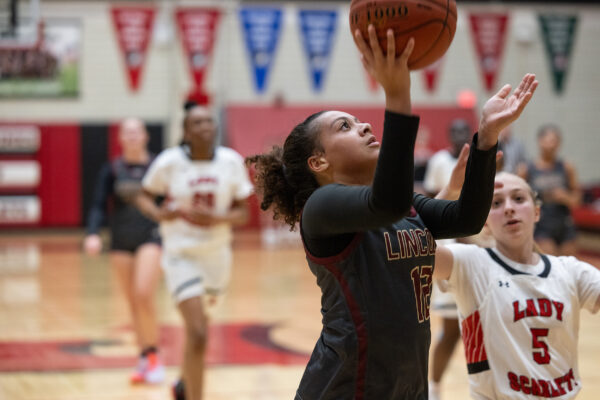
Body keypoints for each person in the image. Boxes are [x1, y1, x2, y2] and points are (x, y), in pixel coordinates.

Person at [246, 24, 538, 400]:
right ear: (318, 161)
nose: (364, 125)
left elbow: (466, 218)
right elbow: (386, 203)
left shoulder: (406, 206)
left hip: (405, 385)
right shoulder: (320, 209)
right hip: (347, 387)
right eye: (345, 127)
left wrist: (486, 138)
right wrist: (398, 94)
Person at [434, 171, 600, 399]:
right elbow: (412, 247)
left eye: (519, 199)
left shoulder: (570, 270)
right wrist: (448, 194)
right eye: (496, 203)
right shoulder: (470, 264)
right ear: (484, 222)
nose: (509, 208)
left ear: (537, 212)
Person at [136, 102, 253, 400]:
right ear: (186, 132)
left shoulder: (231, 161)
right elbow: (144, 196)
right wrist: (162, 214)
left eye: (209, 122)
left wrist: (217, 219)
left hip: (216, 256)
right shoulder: (169, 161)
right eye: (197, 123)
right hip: (180, 254)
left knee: (197, 329)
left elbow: (242, 213)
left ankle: (184, 384)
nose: (205, 127)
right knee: (199, 332)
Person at [83, 117, 165, 384]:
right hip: (120, 241)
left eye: (135, 132)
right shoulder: (112, 169)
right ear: (120, 138)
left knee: (143, 293)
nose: (131, 136)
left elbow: (168, 203)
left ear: (144, 136)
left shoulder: (157, 167)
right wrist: (93, 233)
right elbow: (97, 205)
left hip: (150, 237)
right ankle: (144, 356)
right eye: (126, 132)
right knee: (132, 301)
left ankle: (154, 357)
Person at [422, 118, 473, 400]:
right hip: (449, 251)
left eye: (463, 130)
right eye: (454, 130)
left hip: (480, 248)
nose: (458, 135)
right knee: (451, 330)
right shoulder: (439, 161)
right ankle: (434, 387)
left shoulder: (479, 162)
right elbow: (430, 203)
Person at [518, 124, 581, 256]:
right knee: (551, 263)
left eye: (555, 141)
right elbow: (517, 199)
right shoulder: (526, 169)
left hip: (563, 223)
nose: (552, 145)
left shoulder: (567, 167)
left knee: (569, 265)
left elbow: (578, 199)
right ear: (540, 141)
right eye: (549, 140)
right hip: (541, 225)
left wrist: (566, 197)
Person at [423, 118, 472, 197]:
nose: (461, 137)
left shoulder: (478, 160)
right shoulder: (437, 160)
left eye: (464, 132)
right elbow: (430, 192)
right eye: (457, 132)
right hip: (445, 207)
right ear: (449, 135)